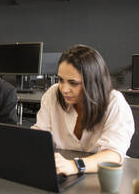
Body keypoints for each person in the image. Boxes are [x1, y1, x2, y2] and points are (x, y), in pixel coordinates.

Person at [32, 44, 134, 176]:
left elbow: (113, 155)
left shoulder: (114, 102)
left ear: (93, 82)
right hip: (64, 173)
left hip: (105, 176)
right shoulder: (53, 94)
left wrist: (75, 165)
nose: (64, 89)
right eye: (61, 80)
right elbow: (39, 138)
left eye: (73, 83)